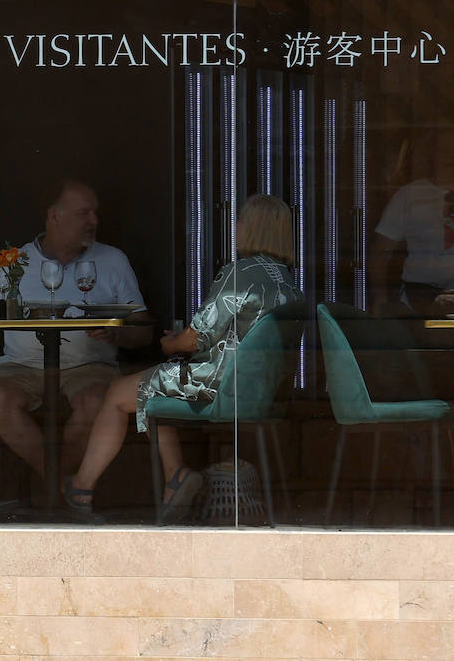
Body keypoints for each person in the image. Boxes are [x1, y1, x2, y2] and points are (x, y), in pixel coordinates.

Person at [66, 193, 302, 520]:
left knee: (119, 392)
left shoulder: (240, 274)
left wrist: (170, 344)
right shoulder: (289, 283)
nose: (235, 226)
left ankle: (80, 490)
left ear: (251, 228)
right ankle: (175, 476)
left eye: (240, 221)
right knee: (146, 389)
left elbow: (195, 338)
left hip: (221, 385)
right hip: (259, 392)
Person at [0, 179, 151, 480]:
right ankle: (58, 483)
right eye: (84, 213)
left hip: (90, 366)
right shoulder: (15, 261)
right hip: (21, 366)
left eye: (95, 213)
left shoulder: (112, 260)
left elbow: (143, 329)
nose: (94, 221)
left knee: (98, 401)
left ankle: (53, 490)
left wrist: (117, 334)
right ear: (55, 216)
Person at [372, 128, 454, 316]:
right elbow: (380, 253)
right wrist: (380, 302)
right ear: (432, 155)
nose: (450, 157)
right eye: (443, 151)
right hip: (419, 302)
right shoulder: (409, 195)